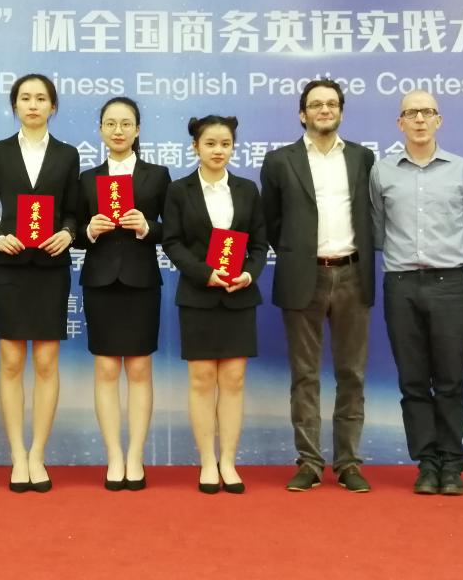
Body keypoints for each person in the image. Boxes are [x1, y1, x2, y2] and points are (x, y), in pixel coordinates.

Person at [260, 79, 375, 493]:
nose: (324, 110)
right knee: (305, 375)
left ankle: (348, 463)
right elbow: (271, 221)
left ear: (340, 111)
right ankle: (309, 461)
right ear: (302, 113)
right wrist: (297, 256)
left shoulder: (362, 157)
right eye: (315, 104)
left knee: (352, 374)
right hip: (303, 276)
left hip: (352, 274)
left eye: (331, 103)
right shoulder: (279, 161)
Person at [369, 91, 463, 496]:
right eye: (411, 113)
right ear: (399, 123)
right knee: (413, 380)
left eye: (427, 112)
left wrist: (451, 256)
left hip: (448, 284)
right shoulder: (382, 171)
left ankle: (452, 463)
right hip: (401, 284)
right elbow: (378, 229)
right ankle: (426, 463)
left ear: (439, 120)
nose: (419, 119)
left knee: (450, 378)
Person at [0, 73, 80, 493]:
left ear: (53, 106)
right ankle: (17, 455)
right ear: (15, 105)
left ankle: (38, 453)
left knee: (46, 363)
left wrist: (69, 233)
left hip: (51, 267)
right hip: (11, 266)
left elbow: (74, 211)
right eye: (25, 98)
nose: (33, 105)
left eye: (41, 98)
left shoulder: (67, 154)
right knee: (10, 361)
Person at [162, 115, 267, 495]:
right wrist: (204, 273)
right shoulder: (179, 190)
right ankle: (207, 461)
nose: (218, 150)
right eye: (210, 144)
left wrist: (249, 274)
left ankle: (229, 461)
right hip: (198, 295)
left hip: (239, 294)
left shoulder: (247, 189)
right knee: (203, 379)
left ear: (233, 147)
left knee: (234, 380)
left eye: (225, 144)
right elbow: (172, 242)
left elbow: (259, 244)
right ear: (196, 147)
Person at [76, 97, 170, 491]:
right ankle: (114, 455)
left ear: (137, 130)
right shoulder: (86, 178)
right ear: (100, 129)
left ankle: (135, 455)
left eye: (126, 123)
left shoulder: (157, 175)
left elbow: (173, 229)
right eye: (111, 123)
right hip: (100, 281)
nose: (118, 130)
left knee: (139, 369)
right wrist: (89, 230)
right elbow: (72, 230)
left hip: (141, 281)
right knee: (106, 369)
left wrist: (147, 227)